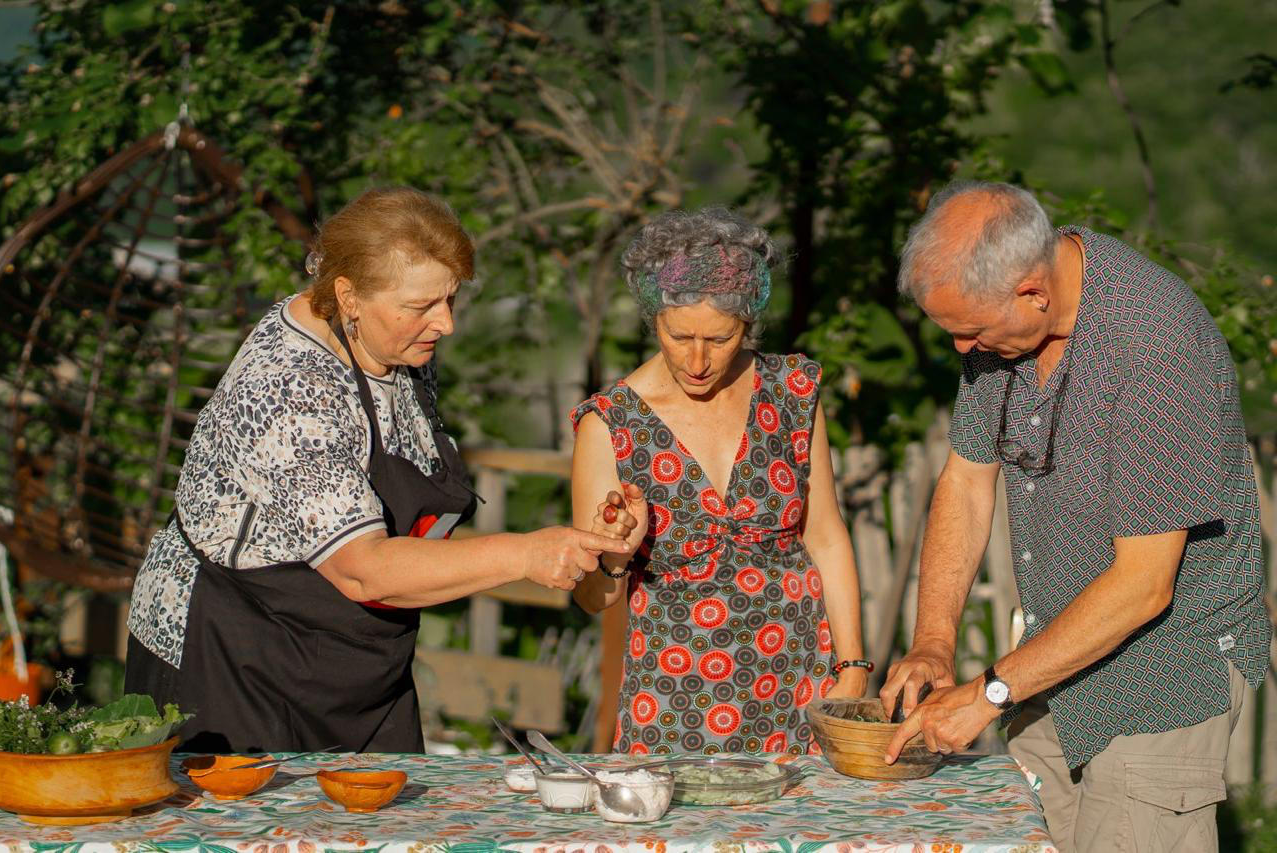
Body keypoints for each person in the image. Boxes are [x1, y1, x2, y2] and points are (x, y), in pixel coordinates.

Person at [125, 187, 628, 754]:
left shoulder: (392, 343)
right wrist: (526, 555)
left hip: (346, 657)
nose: (446, 324)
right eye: (421, 307)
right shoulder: (290, 386)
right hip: (235, 655)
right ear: (349, 295)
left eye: (451, 300)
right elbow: (362, 571)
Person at [879, 181, 1270, 853]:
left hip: (1162, 673)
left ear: (1033, 290)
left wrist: (990, 692)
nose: (963, 349)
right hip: (1054, 659)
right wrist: (934, 641)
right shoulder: (999, 331)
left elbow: (1145, 585)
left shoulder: (1154, 347)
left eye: (971, 330)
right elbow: (967, 481)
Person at [570, 208, 868, 756]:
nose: (699, 359)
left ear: (748, 323)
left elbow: (824, 535)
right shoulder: (609, 423)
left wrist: (851, 667)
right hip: (673, 704)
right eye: (679, 335)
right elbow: (593, 598)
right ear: (652, 317)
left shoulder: (793, 391)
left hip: (799, 686)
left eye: (720, 337)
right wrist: (615, 552)